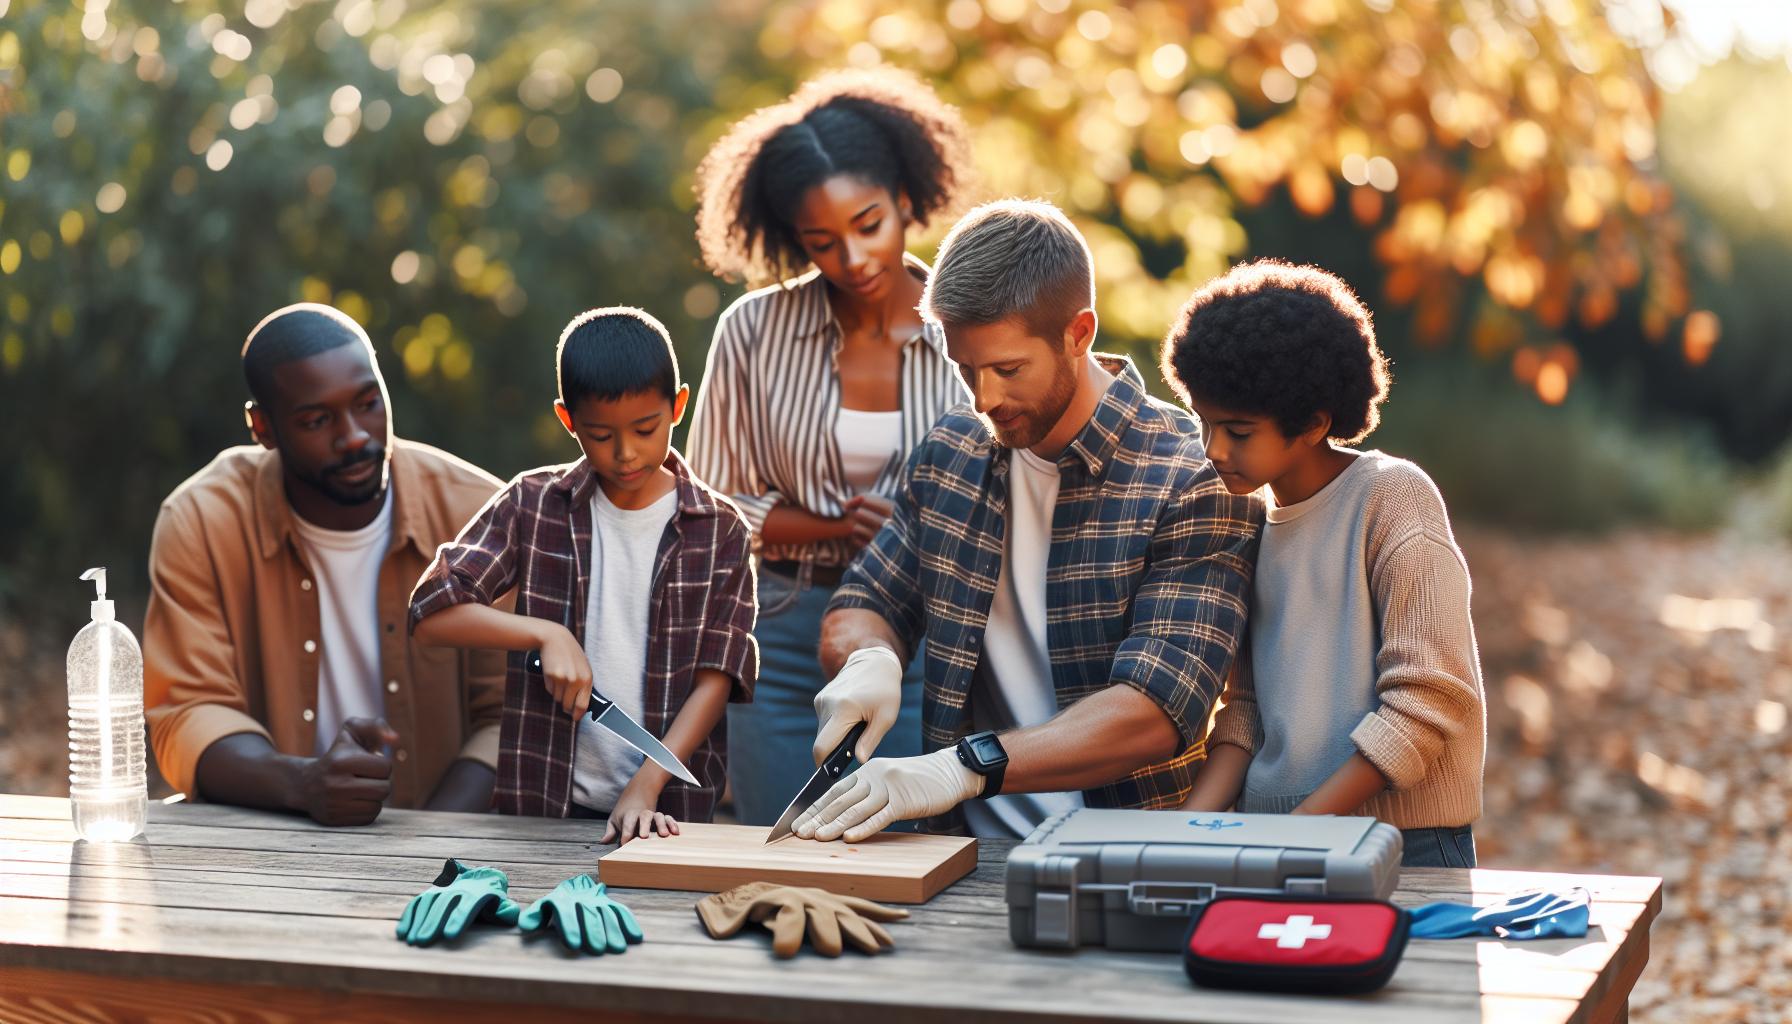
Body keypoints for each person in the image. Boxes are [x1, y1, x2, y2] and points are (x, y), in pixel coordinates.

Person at [790, 199, 1264, 842]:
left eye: (1008, 369)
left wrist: (966, 766)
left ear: (1079, 333)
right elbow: (865, 599)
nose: (984, 398)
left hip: (1125, 855)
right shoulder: (954, 450)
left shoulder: (1194, 480)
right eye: (965, 369)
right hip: (960, 849)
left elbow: (1156, 709)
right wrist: (868, 659)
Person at [687, 66, 973, 824]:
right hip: (781, 634)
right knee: (780, 852)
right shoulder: (750, 332)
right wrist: (833, 529)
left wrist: (914, 533)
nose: (852, 258)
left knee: (912, 855)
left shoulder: (972, 331)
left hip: (928, 637)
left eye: (869, 223)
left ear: (907, 199)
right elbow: (712, 505)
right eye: (822, 242)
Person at [1166, 259, 1487, 869]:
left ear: (1313, 423)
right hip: (1272, 840)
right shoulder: (1247, 519)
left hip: (1399, 845)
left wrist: (1295, 832)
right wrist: (1187, 830)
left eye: (1237, 430)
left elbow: (1427, 701)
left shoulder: (1391, 497)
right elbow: (1247, 710)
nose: (1213, 449)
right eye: (1205, 424)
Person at [144, 303, 505, 826]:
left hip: (453, 851)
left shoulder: (479, 513)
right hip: (272, 837)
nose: (355, 435)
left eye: (368, 404)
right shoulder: (201, 520)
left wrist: (425, 851)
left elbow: (511, 717)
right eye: (317, 420)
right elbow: (188, 713)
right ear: (262, 427)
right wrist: (302, 784)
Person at [410, 307, 757, 844]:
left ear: (678, 406)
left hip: (666, 812)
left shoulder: (721, 530)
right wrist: (544, 633)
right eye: (599, 435)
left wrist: (646, 786)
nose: (625, 453)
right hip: (541, 805)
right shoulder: (534, 504)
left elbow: (719, 677)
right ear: (567, 419)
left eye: (646, 429)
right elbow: (430, 612)